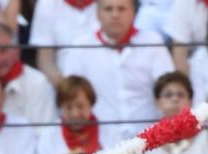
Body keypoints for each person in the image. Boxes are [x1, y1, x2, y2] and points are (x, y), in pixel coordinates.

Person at [57, 0, 175, 144]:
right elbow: (69, 95)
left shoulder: (152, 41)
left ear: (133, 13)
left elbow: (169, 88)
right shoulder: (81, 46)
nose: (115, 15)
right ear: (98, 13)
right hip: (100, 143)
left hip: (150, 138)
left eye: (121, 9)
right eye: (108, 9)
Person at [36, 75, 128, 154]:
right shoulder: (48, 136)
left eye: (80, 106)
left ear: (91, 104)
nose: (75, 114)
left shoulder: (111, 132)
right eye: (68, 107)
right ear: (60, 107)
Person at [127, 72, 208, 154]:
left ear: (190, 101)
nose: (175, 99)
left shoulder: (206, 138)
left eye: (180, 95)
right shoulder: (146, 139)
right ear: (158, 102)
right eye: (168, 95)